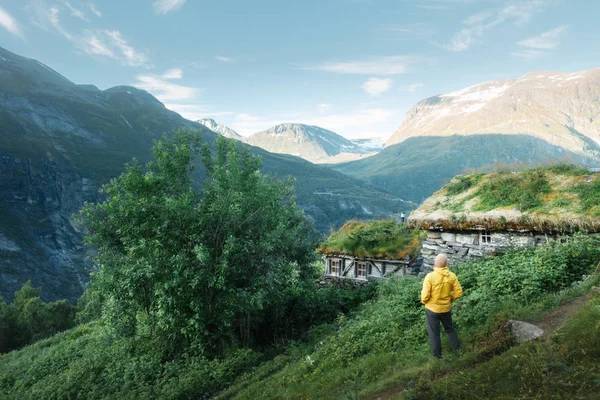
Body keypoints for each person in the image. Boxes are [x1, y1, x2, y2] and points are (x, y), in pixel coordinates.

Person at [421, 253, 463, 358]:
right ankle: (457, 351)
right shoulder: (452, 276)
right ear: (446, 264)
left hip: (432, 309)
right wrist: (450, 299)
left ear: (435, 264)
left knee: (434, 333)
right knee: (450, 329)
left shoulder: (430, 276)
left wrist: (425, 302)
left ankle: (437, 357)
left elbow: (425, 296)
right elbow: (458, 292)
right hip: (446, 308)